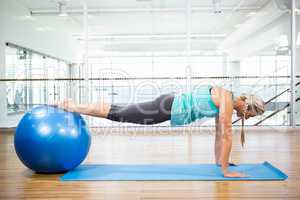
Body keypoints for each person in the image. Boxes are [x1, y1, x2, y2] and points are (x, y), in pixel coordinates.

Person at [53, 85, 265, 178]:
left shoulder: (226, 99)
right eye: (251, 115)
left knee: (119, 110)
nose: (247, 118)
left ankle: (74, 105)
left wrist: (220, 163)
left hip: (167, 105)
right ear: (247, 107)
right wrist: (226, 171)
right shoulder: (227, 101)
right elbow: (227, 136)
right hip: (166, 108)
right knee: (119, 113)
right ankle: (72, 106)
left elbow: (220, 135)